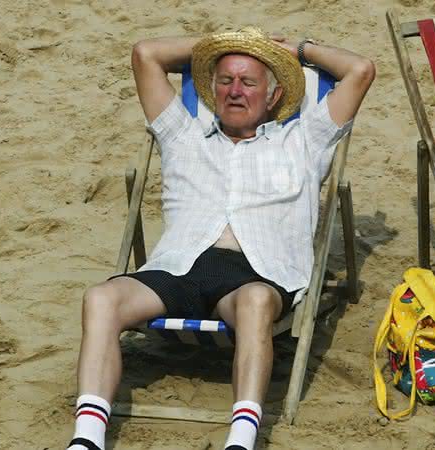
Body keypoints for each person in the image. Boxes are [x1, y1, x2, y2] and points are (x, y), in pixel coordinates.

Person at [66, 27, 374, 450]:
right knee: (100, 297)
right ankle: (87, 439)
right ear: (211, 87)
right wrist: (226, 44)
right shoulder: (182, 134)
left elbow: (360, 70)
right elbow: (146, 54)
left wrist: (297, 49)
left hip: (255, 274)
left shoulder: (305, 140)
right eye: (225, 80)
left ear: (272, 94)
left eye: (248, 82)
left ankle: (241, 439)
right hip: (179, 268)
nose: (234, 91)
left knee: (256, 303)